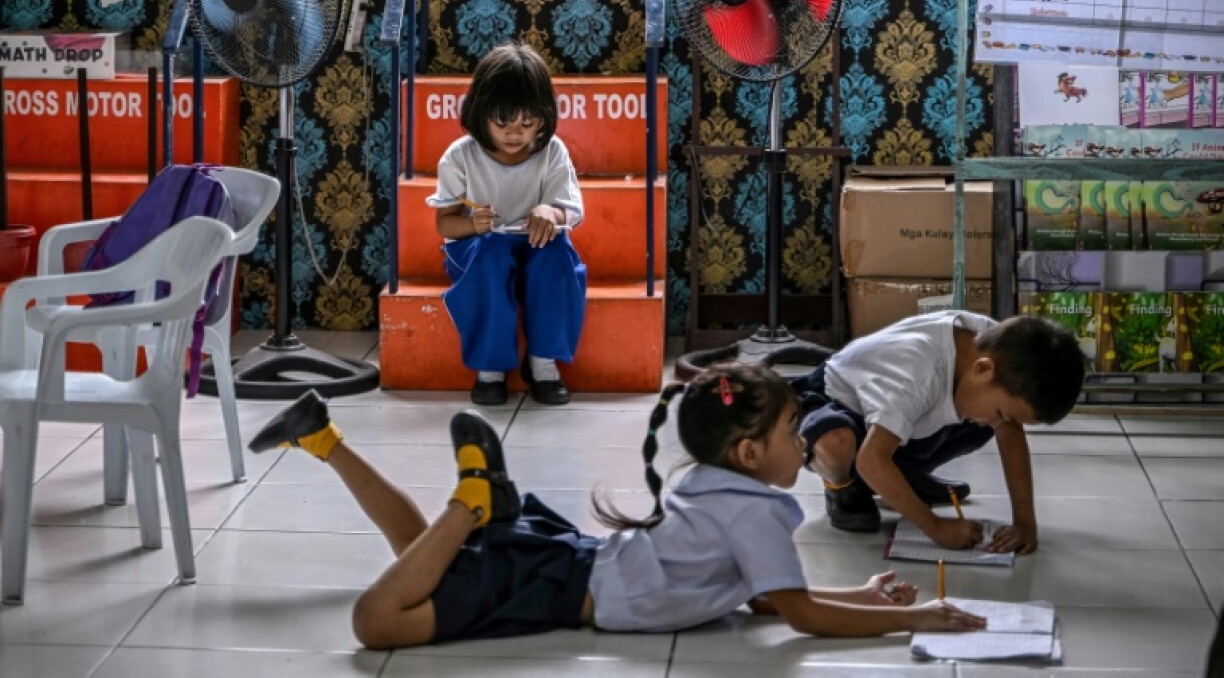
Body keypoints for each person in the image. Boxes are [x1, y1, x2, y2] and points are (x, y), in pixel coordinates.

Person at [246, 366, 988, 650]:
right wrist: (912, 618)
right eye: (794, 432)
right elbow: (796, 614)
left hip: (566, 562)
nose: (806, 444)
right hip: (554, 586)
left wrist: (860, 594)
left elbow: (763, 596)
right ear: (748, 453)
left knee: (419, 554)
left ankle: (322, 437)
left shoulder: (711, 483)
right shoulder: (756, 512)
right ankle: (472, 499)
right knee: (376, 623)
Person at [790, 311, 1085, 553]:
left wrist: (1024, 523)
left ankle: (902, 476)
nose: (1004, 421)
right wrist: (936, 527)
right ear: (983, 370)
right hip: (835, 403)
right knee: (836, 443)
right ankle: (842, 488)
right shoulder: (916, 373)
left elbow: (1011, 435)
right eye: (1003, 412)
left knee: (992, 422)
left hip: (899, 420)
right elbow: (870, 460)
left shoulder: (998, 347)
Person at [426, 41, 585, 406]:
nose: (515, 134)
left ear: (543, 118)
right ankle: (490, 369)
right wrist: (473, 226)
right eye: (502, 124)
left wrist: (551, 213)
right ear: (480, 114)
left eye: (527, 124)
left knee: (557, 257)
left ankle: (543, 363)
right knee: (490, 257)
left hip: (535, 243)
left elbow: (571, 211)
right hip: (480, 247)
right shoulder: (460, 156)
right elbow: (445, 224)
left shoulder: (552, 151)